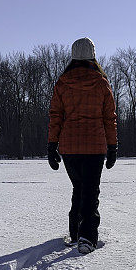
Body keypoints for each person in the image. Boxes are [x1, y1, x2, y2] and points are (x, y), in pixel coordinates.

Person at [47, 37, 118, 254]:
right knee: (89, 192)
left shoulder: (62, 82)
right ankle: (87, 236)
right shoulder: (101, 82)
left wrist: (52, 145)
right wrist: (113, 146)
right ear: (92, 56)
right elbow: (109, 118)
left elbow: (55, 116)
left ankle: (76, 232)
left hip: (69, 148)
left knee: (79, 188)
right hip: (95, 148)